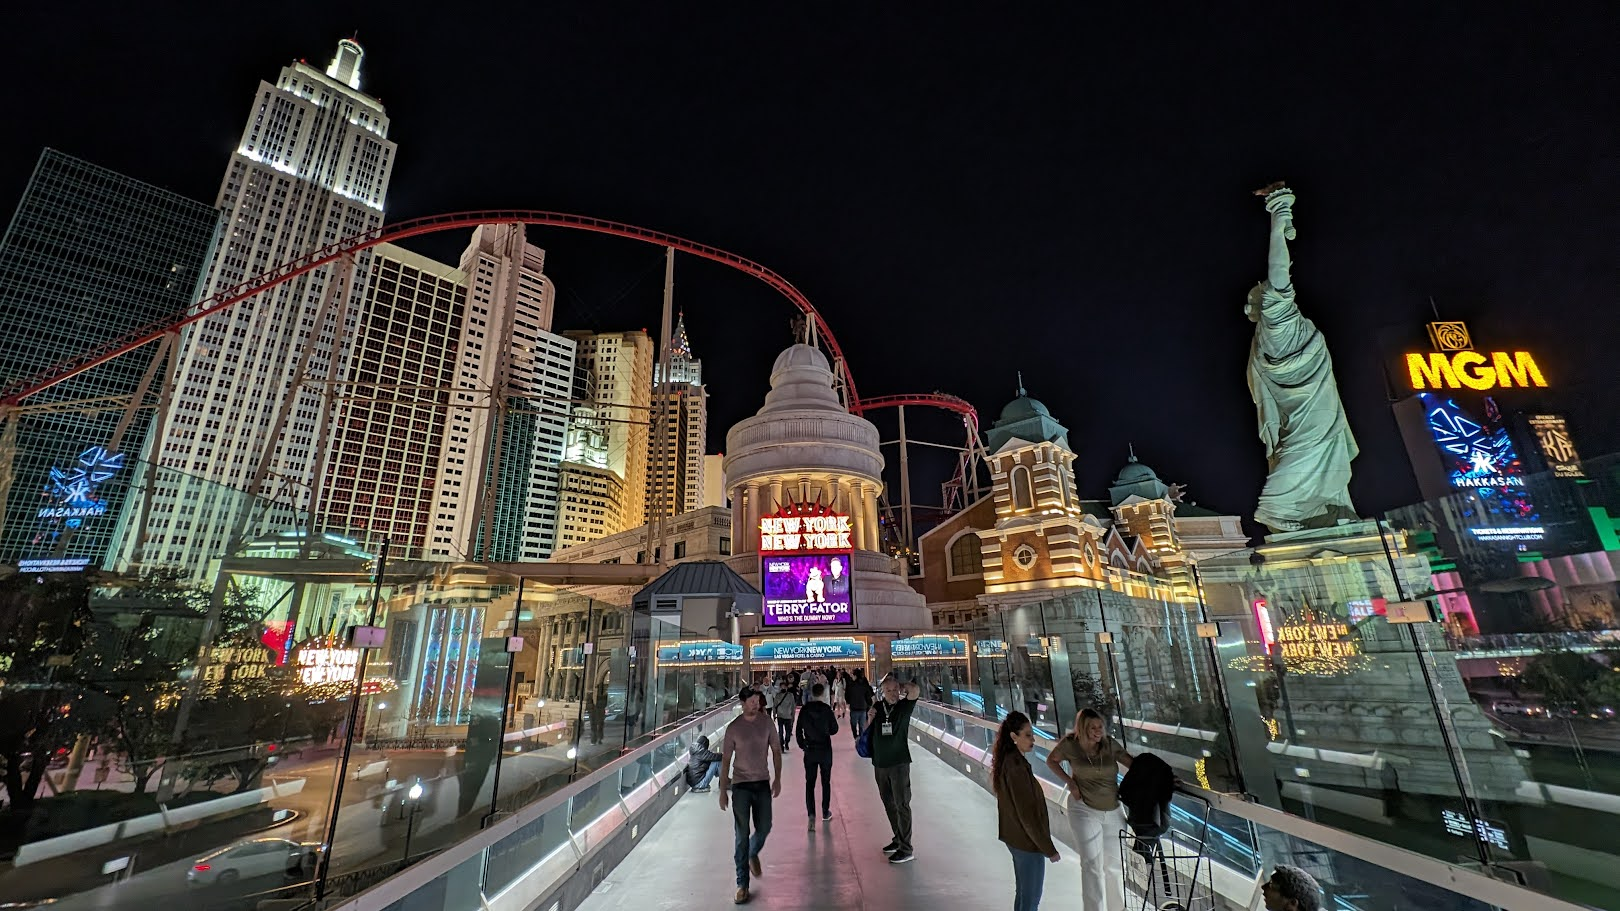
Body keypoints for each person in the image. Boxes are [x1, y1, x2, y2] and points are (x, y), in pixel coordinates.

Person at [1045, 709, 1133, 911]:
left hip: (1113, 810)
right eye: (1092, 727)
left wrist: (1161, 775)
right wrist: (1070, 783)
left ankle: (1118, 909)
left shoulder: (1109, 744)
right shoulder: (1070, 744)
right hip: (1084, 809)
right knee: (1092, 865)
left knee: (1116, 866)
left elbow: (1133, 763)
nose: (1098, 731)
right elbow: (1051, 760)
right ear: (1082, 728)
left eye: (1100, 726)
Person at [992, 711, 1060, 911]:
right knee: (1031, 899)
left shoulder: (1010, 761)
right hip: (1027, 843)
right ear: (1014, 736)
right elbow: (1027, 814)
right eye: (1028, 735)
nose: (1033, 739)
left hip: (1016, 839)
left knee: (1023, 894)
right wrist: (1048, 848)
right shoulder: (1016, 767)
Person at [720, 689, 783, 904]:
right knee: (741, 834)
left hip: (762, 782)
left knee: (764, 827)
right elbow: (726, 760)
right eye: (752, 701)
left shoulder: (766, 723)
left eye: (758, 701)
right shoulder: (734, 728)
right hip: (740, 786)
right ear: (743, 703)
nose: (756, 704)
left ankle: (752, 851)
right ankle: (742, 884)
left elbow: (776, 750)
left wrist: (778, 778)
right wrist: (722, 790)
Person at [870, 673, 922, 863]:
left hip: (899, 763)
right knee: (889, 803)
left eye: (894, 690)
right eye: (888, 690)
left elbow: (915, 690)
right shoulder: (878, 707)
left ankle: (906, 849)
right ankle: (898, 838)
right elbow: (870, 730)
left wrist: (899, 683)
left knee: (902, 804)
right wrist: (869, 718)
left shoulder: (904, 707)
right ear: (882, 692)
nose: (892, 693)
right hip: (880, 763)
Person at [794, 681, 840, 828]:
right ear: (822, 693)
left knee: (810, 783)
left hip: (810, 750)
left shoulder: (805, 709)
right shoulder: (826, 709)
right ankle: (825, 812)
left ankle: (811, 815)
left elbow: (798, 729)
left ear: (812, 693)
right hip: (825, 749)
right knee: (825, 782)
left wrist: (803, 745)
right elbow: (834, 729)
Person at [846, 668, 874, 740]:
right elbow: (868, 696)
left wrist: (849, 702)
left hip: (854, 708)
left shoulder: (850, 685)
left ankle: (855, 736)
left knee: (853, 724)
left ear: (855, 676)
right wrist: (869, 704)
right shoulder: (864, 684)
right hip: (863, 708)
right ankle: (861, 738)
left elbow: (847, 696)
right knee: (862, 725)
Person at [771, 680, 798, 752]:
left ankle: (786, 742)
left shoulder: (790, 695)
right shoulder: (778, 696)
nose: (783, 688)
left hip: (788, 716)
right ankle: (781, 744)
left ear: (786, 687)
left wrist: (793, 715)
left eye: (784, 687)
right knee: (780, 732)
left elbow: (793, 706)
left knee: (788, 732)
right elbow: (774, 705)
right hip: (780, 716)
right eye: (781, 687)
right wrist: (774, 714)